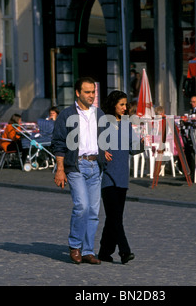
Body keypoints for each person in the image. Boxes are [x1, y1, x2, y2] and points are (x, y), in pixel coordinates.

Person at [52, 77, 107, 265]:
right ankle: (75, 245)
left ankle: (88, 251)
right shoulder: (67, 115)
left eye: (93, 92)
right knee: (81, 206)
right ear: (78, 93)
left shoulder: (98, 113)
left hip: (95, 166)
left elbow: (103, 138)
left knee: (93, 210)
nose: (91, 96)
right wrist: (60, 170)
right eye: (87, 92)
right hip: (76, 165)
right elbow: (58, 143)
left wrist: (104, 152)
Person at [98, 90, 143, 264]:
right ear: (113, 104)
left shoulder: (126, 124)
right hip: (107, 176)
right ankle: (125, 251)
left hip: (122, 176)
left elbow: (134, 149)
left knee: (113, 218)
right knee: (115, 217)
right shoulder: (103, 123)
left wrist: (142, 141)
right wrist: (102, 151)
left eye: (126, 104)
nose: (125, 108)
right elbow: (92, 143)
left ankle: (104, 251)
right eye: (122, 104)